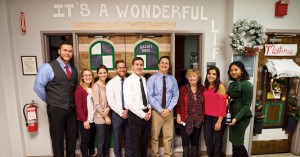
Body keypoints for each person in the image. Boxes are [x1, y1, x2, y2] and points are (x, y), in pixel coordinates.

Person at [33, 41, 78, 157]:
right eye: (65, 50)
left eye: (70, 51)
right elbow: (38, 87)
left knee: (72, 138)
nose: (67, 53)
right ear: (59, 51)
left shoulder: (73, 69)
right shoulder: (48, 67)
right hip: (56, 109)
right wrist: (50, 101)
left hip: (71, 109)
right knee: (57, 139)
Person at [147, 56, 179, 157]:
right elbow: (150, 96)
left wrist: (169, 109)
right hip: (156, 112)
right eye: (162, 63)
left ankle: (167, 155)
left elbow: (176, 95)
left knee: (168, 136)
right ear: (159, 64)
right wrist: (161, 110)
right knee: (155, 137)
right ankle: (155, 155)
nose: (164, 65)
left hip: (169, 112)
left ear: (169, 66)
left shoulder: (172, 79)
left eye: (166, 63)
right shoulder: (152, 79)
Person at [124, 57, 151, 157]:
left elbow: (147, 96)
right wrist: (142, 114)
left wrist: (149, 109)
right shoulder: (128, 81)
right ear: (132, 66)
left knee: (145, 142)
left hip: (146, 113)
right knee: (136, 143)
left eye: (141, 65)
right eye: (137, 64)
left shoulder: (143, 79)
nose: (139, 67)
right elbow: (130, 103)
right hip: (136, 115)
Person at [226, 61, 253, 157]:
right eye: (231, 70)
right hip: (232, 115)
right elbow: (231, 97)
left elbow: (247, 105)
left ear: (242, 71)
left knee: (238, 143)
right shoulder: (232, 84)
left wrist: (236, 118)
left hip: (241, 118)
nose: (233, 72)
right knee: (234, 142)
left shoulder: (247, 85)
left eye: (236, 70)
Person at [106, 60, 132, 157]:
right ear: (116, 69)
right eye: (120, 67)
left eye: (124, 67)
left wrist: (128, 111)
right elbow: (111, 101)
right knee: (117, 138)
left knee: (129, 138)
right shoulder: (111, 83)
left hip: (129, 113)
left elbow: (132, 97)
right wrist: (122, 112)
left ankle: (129, 155)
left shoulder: (130, 82)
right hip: (117, 115)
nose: (122, 69)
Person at [176, 69, 204, 157]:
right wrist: (178, 116)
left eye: (194, 76)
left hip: (198, 119)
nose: (192, 78)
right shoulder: (183, 89)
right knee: (186, 141)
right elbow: (179, 104)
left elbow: (207, 103)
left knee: (195, 140)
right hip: (185, 119)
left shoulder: (202, 89)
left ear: (198, 77)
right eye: (190, 76)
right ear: (187, 78)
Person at [203, 66, 227, 157]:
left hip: (218, 117)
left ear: (217, 76)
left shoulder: (220, 86)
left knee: (217, 140)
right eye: (209, 73)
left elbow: (223, 106)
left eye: (214, 74)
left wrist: (219, 121)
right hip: (207, 116)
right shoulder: (206, 85)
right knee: (207, 139)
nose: (211, 76)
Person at [75, 69, 97, 157]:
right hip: (84, 120)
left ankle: (92, 153)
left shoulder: (93, 88)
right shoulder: (80, 90)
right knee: (85, 140)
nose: (88, 77)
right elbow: (78, 107)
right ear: (82, 77)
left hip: (93, 118)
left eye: (90, 75)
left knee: (92, 138)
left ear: (92, 76)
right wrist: (85, 121)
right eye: (86, 75)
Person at [92, 65, 111, 157]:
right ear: (97, 74)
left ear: (107, 73)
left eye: (104, 72)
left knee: (107, 140)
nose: (103, 74)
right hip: (100, 117)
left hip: (108, 115)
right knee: (101, 141)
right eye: (100, 73)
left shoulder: (108, 85)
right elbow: (96, 104)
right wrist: (106, 117)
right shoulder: (96, 86)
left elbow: (111, 100)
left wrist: (108, 108)